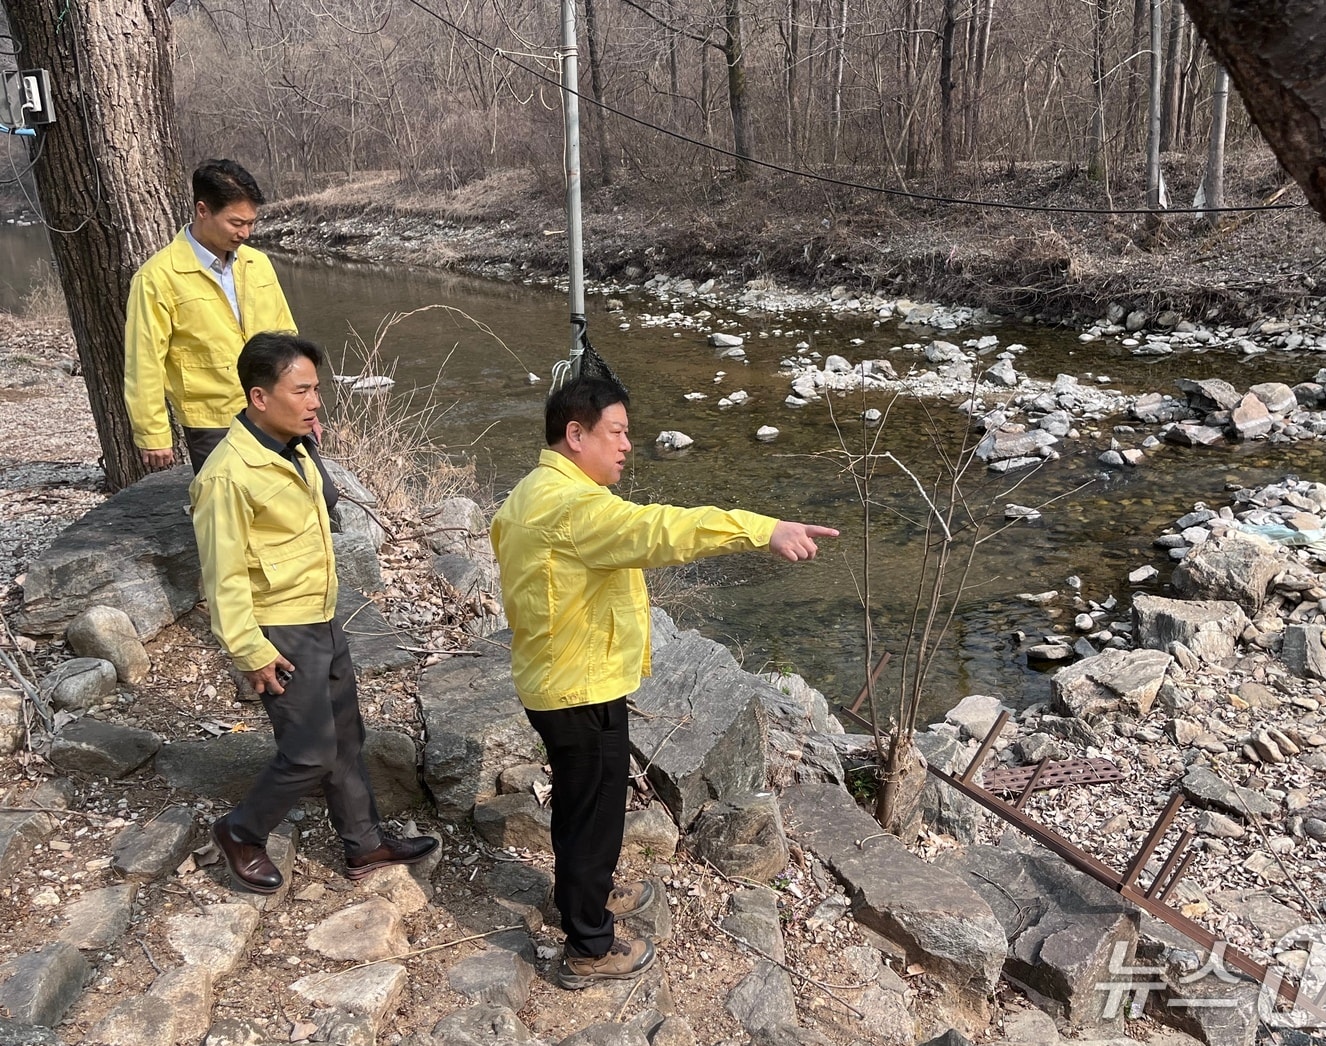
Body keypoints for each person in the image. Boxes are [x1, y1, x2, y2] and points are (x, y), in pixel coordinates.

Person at [489, 374, 838, 988]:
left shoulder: (531, 492)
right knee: (595, 813)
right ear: (576, 435)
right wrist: (763, 529)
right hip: (580, 689)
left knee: (581, 804)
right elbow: (662, 530)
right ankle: (589, 947)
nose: (627, 445)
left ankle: (579, 900)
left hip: (558, 678)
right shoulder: (574, 509)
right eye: (616, 432)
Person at [191, 332, 438, 894]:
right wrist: (250, 651)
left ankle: (364, 842)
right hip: (279, 630)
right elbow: (222, 577)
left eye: (316, 390)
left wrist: (308, 438)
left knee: (348, 738)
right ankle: (241, 832)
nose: (315, 401)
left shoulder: (293, 444)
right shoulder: (227, 476)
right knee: (308, 752)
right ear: (259, 397)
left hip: (323, 614)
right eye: (301, 391)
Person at [125, 159, 297, 473]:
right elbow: (144, 361)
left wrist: (303, 405)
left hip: (273, 408)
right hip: (212, 421)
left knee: (314, 496)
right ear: (203, 211)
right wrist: (152, 433)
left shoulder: (257, 264)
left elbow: (287, 338)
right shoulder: (157, 278)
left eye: (251, 222)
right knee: (230, 509)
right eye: (236, 223)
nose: (246, 232)